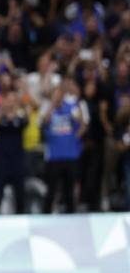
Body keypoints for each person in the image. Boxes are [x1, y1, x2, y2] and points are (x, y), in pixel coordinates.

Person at [42, 80, 85, 213]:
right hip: (54, 156)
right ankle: (47, 214)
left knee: (69, 190)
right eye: (55, 95)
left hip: (70, 155)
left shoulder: (70, 108)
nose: (57, 97)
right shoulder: (48, 109)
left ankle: (71, 214)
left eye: (59, 94)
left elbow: (82, 124)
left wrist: (74, 137)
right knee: (52, 189)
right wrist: (52, 106)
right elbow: (44, 122)